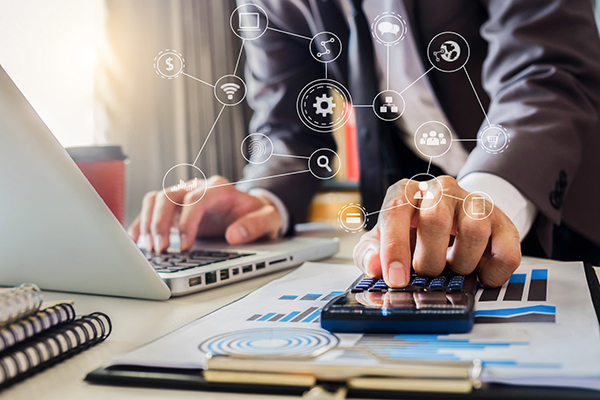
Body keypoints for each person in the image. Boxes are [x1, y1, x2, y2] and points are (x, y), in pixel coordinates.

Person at [129, 0, 600, 288]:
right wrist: (258, 197)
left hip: (570, 201)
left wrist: (484, 201)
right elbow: (285, 119)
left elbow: (546, 74)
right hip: (429, 229)